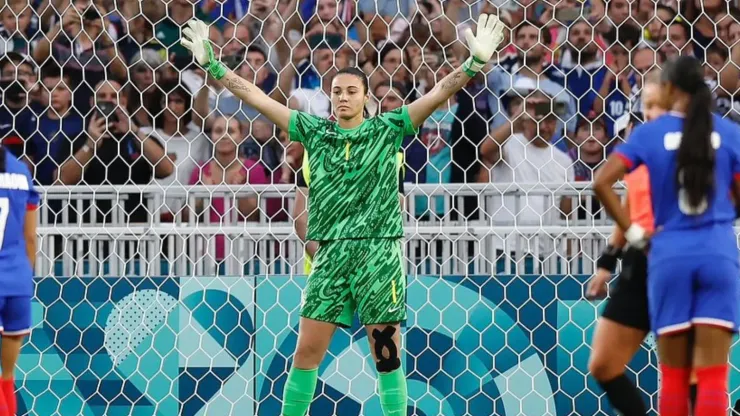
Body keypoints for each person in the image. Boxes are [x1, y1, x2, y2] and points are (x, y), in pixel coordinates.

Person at [181, 13, 505, 416]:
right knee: (305, 354)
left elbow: (439, 91)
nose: (343, 97)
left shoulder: (389, 128)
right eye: (337, 91)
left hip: (378, 256)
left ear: (367, 98)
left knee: (386, 356)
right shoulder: (315, 132)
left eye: (352, 90)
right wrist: (214, 67)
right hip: (331, 256)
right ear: (329, 96)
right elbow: (258, 99)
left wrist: (473, 64)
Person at [593, 55, 740, 416]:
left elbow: (601, 182)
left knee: (673, 376)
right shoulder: (729, 132)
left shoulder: (648, 137)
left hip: (667, 254)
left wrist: (635, 234)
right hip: (717, 253)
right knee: (711, 376)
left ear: (671, 90)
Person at [586, 69, 668, 416]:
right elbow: (630, 207)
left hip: (676, 262)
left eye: (658, 105)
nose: (650, 114)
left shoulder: (693, 146)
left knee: (681, 372)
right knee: (603, 365)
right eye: (646, 106)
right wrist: (606, 263)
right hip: (640, 261)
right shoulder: (640, 148)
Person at [0, 146, 39, 416]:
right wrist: (26, 279)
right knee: (7, 377)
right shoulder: (21, 171)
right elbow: (30, 238)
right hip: (16, 282)